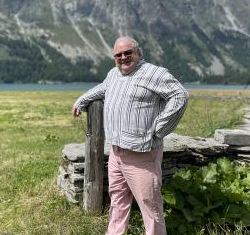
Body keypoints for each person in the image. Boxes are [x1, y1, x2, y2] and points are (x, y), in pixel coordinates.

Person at [72, 36, 189, 235]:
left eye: (128, 53)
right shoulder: (113, 74)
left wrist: (160, 129)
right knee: (117, 201)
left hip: (142, 154)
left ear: (138, 53)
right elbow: (102, 88)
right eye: (118, 55)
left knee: (150, 206)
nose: (123, 58)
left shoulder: (154, 73)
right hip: (117, 153)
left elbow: (180, 95)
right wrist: (81, 100)